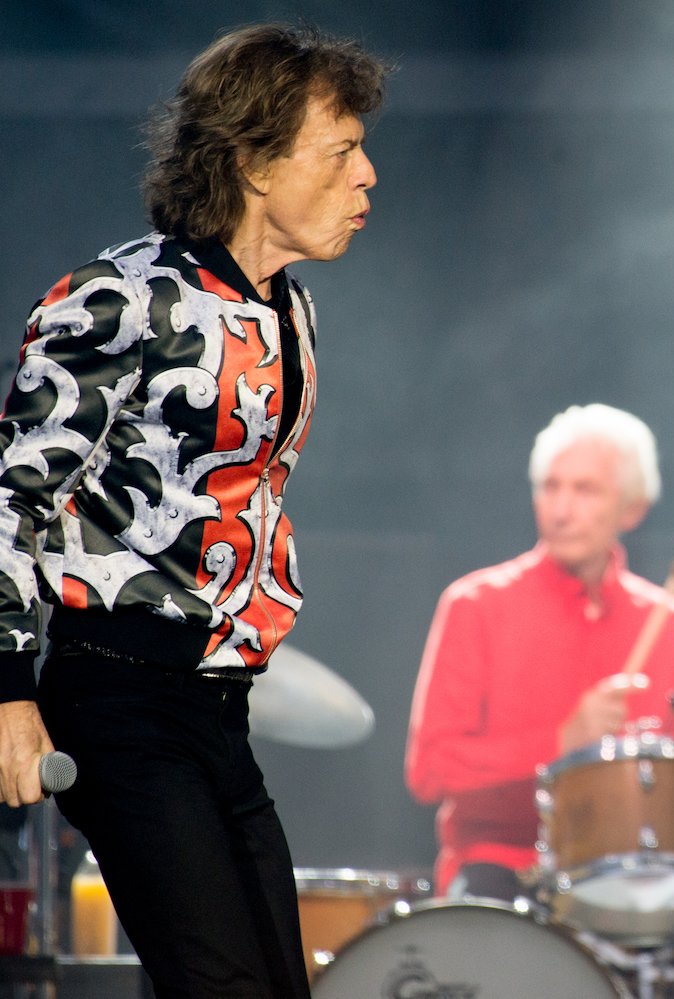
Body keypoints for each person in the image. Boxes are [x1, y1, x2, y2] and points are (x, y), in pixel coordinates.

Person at [0, 24, 387, 998]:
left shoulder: (287, 308)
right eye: (341, 152)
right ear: (256, 161)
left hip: (217, 709)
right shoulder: (122, 299)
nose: (367, 176)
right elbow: (12, 496)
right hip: (120, 697)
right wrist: (5, 689)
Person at [405, 403, 674, 901]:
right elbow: (431, 771)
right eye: (551, 486)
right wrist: (561, 741)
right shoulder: (475, 604)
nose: (561, 509)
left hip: (629, 881)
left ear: (632, 509)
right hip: (499, 873)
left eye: (585, 489)